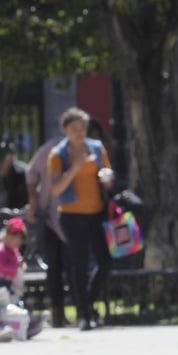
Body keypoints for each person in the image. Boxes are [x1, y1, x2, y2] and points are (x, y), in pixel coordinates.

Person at [48, 107, 114, 331]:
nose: (80, 132)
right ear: (65, 130)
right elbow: (56, 188)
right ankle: (84, 314)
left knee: (105, 261)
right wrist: (75, 167)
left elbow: (108, 174)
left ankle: (89, 303)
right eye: (75, 128)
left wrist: (107, 178)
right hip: (71, 215)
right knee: (80, 264)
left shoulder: (96, 148)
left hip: (97, 213)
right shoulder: (58, 154)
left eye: (83, 127)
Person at [26, 135, 67, 326]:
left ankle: (84, 310)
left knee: (75, 265)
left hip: (77, 214)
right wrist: (34, 203)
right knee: (54, 267)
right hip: (51, 217)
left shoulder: (87, 149)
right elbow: (31, 173)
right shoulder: (50, 149)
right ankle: (57, 313)